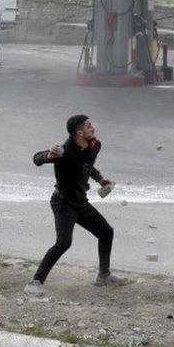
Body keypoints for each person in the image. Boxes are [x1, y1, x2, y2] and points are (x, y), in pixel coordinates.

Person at [24, 115, 131, 296]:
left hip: (80, 202)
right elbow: (36, 159)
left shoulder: (94, 145)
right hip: (63, 203)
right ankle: (35, 282)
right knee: (64, 242)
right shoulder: (63, 152)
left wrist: (100, 179)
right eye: (89, 126)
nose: (93, 128)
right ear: (79, 132)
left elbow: (87, 165)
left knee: (106, 232)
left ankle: (104, 275)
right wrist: (49, 155)